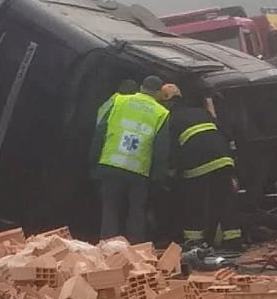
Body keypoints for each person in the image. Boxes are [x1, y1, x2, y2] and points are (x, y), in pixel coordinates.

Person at [159, 83, 242, 253]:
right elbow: (225, 132)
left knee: (194, 203)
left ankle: (193, 243)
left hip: (197, 164)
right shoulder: (201, 112)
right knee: (225, 202)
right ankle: (233, 242)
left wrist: (171, 172)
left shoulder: (171, 119)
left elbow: (172, 149)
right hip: (223, 159)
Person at [91, 75, 169, 242]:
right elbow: (161, 149)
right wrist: (158, 177)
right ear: (158, 93)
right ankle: (135, 252)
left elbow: (100, 132)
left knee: (110, 209)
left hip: (110, 163)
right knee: (136, 212)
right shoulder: (161, 113)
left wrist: (93, 159)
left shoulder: (119, 101)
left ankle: (109, 250)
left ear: (141, 88)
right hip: (138, 171)